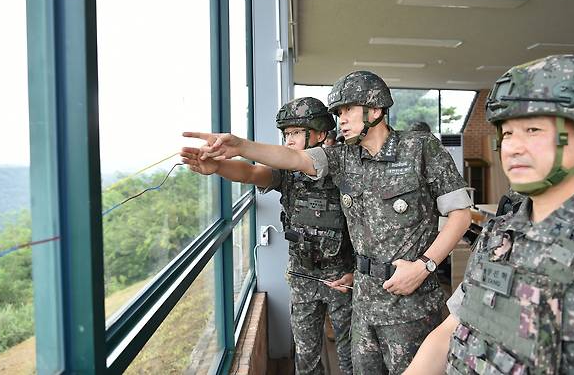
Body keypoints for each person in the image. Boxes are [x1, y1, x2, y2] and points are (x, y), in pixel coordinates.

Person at [184, 70, 472, 373]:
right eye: (338, 112)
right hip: (364, 302)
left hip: (410, 304)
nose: (341, 119)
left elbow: (461, 215)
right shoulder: (342, 158)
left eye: (347, 109)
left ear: (374, 110)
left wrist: (424, 266)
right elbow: (293, 159)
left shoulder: (420, 149)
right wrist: (240, 146)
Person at [404, 55, 574, 374]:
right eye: (508, 133)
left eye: (532, 130)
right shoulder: (497, 236)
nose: (513, 147)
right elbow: (451, 331)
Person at [182, 97, 354, 375]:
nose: (289, 140)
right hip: (303, 275)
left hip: (343, 276)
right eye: (286, 134)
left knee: (349, 357)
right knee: (306, 356)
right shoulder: (288, 171)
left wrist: (239, 145)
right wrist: (219, 167)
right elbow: (252, 173)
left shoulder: (343, 163)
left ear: (321, 133)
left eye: (296, 132)